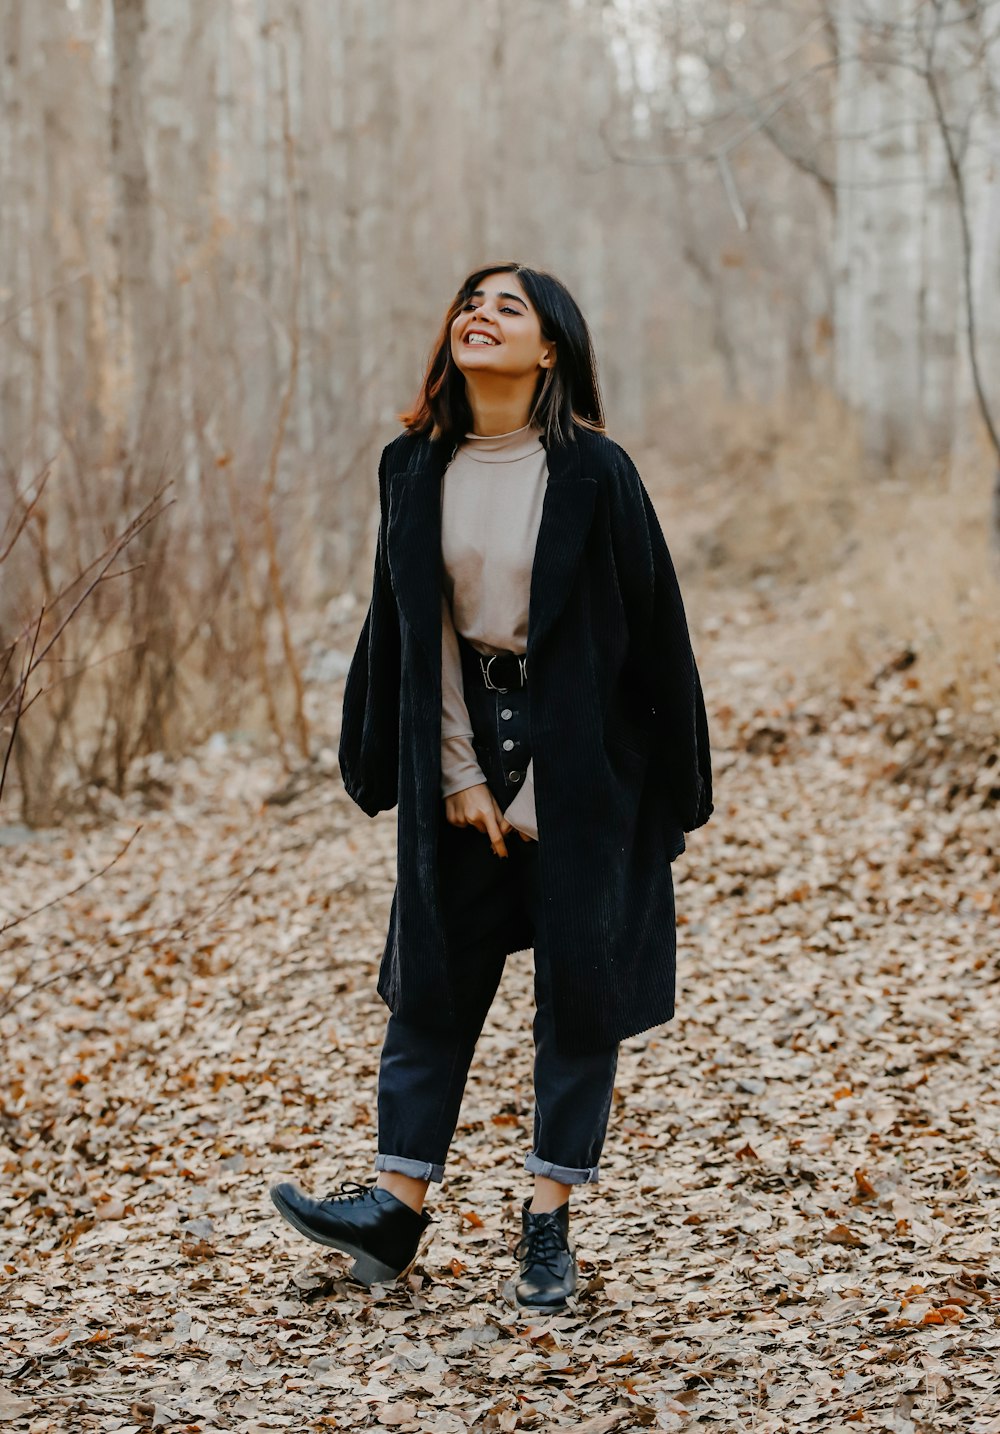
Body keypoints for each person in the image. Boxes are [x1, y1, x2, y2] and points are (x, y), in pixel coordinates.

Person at [270, 262, 714, 1310]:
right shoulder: (412, 465)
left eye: (509, 306)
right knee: (431, 982)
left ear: (549, 347)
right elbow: (407, 628)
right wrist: (458, 771)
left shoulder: (598, 473)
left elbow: (655, 637)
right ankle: (393, 1211)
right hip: (458, 750)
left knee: (579, 999)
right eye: (470, 301)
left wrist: (628, 788)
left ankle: (548, 1222)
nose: (481, 314)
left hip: (584, 763)